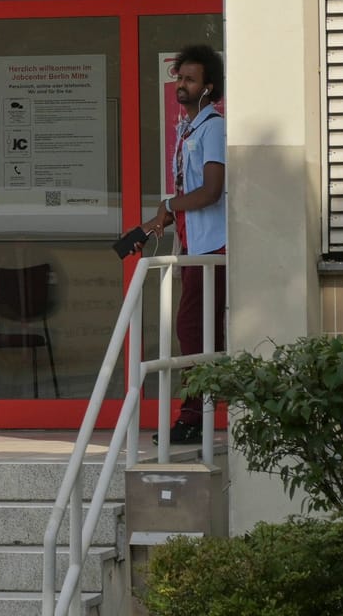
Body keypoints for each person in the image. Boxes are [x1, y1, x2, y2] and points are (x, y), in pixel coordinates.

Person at [139, 44, 226, 444]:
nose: (181, 85)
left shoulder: (214, 128)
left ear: (209, 87)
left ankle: (195, 417)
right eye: (179, 77)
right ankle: (200, 412)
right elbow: (188, 190)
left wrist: (168, 204)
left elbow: (210, 191)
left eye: (190, 79)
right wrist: (164, 216)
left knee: (195, 328)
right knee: (197, 329)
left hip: (214, 248)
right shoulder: (187, 129)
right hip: (193, 246)